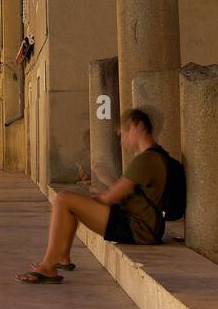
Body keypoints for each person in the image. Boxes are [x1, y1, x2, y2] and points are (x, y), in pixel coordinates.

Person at [18, 108, 169, 284]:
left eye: (123, 134)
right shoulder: (156, 155)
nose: (122, 141)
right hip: (144, 225)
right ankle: (62, 257)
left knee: (63, 199)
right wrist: (93, 195)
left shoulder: (146, 159)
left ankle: (48, 266)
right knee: (72, 203)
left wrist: (87, 203)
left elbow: (110, 198)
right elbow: (123, 193)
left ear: (138, 126)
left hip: (137, 228)